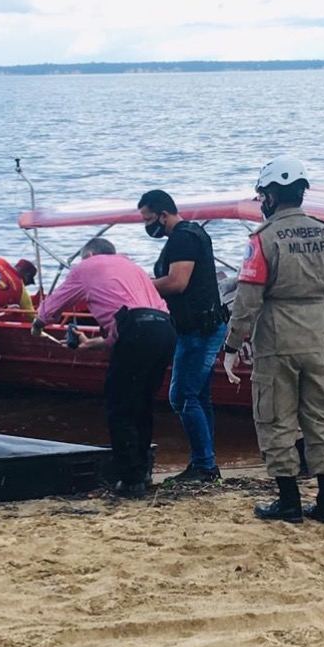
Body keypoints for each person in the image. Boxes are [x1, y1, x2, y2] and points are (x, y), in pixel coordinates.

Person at [222, 158, 324, 523]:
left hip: (277, 339)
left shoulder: (263, 238)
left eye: (263, 195)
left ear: (271, 196)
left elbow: (248, 299)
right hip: (317, 337)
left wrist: (232, 346)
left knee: (276, 420)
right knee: (320, 420)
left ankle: (289, 502)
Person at [32, 238, 177, 499]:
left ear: (89, 254)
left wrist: (38, 323)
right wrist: (92, 344)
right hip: (165, 328)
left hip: (137, 329)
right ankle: (142, 470)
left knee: (118, 406)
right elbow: (129, 323)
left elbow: (56, 303)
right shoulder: (130, 266)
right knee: (141, 403)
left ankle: (130, 481)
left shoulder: (86, 266)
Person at [138, 189, 230, 482]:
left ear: (163, 215)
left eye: (148, 219)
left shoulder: (183, 239)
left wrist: (141, 284)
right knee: (199, 396)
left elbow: (178, 282)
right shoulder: (191, 234)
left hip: (199, 329)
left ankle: (204, 464)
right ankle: (205, 461)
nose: (147, 225)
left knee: (182, 395)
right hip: (203, 325)